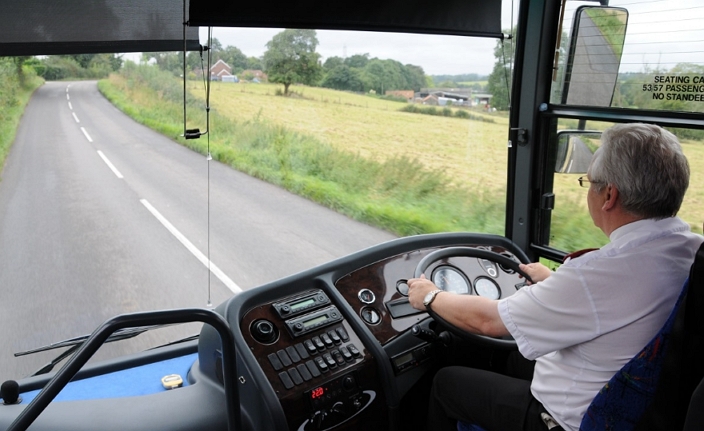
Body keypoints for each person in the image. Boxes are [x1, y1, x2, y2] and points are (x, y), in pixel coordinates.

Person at [407, 123, 703, 431]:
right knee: (511, 360)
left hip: (565, 420)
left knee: (447, 384)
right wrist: (555, 284)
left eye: (588, 182)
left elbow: (488, 322)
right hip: (641, 404)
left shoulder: (598, 273)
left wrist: (429, 296)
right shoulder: (692, 250)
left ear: (609, 195)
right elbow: (613, 302)